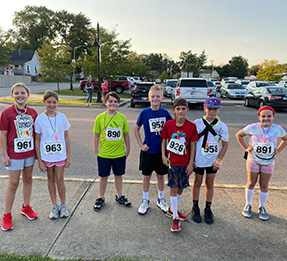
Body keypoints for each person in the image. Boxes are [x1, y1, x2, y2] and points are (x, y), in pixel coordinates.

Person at [236, 106, 287, 221]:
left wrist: (278, 149)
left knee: (264, 185)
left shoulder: (277, 129)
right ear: (259, 117)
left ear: (273, 117)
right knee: (251, 182)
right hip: (253, 160)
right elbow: (238, 135)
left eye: (269, 116)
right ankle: (248, 205)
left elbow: (285, 139)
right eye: (263, 116)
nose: (266, 119)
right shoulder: (253, 127)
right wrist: (246, 148)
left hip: (268, 161)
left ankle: (262, 207)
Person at [0, 82, 38, 231]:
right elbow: (2, 135)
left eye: (23, 93)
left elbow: (36, 135)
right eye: (17, 93)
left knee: (28, 179)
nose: (20, 95)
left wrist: (37, 155)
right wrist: (4, 155)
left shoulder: (33, 112)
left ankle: (26, 207)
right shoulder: (6, 113)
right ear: (12, 96)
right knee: (13, 183)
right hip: (13, 154)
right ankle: (7, 215)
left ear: (28, 95)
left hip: (29, 153)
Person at [161, 98, 198, 232]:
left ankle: (172, 209)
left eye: (183, 109)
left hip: (185, 163)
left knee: (181, 187)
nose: (180, 111)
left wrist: (190, 163)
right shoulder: (169, 125)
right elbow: (164, 140)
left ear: (187, 110)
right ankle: (175, 217)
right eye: (178, 109)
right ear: (174, 110)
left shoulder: (191, 126)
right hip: (172, 163)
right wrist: (163, 155)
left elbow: (193, 145)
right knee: (173, 187)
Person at [134, 85, 172, 215]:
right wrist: (141, 145)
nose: (155, 99)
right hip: (148, 151)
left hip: (161, 152)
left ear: (162, 98)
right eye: (153, 96)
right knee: (146, 177)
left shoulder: (165, 113)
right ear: (149, 98)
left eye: (158, 96)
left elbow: (172, 129)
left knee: (161, 176)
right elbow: (136, 129)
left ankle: (161, 199)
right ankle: (145, 200)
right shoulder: (144, 113)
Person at [34, 90, 71, 219]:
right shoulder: (40, 119)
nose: (51, 105)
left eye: (54, 102)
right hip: (47, 156)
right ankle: (54, 205)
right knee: (50, 179)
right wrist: (40, 160)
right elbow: (37, 139)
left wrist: (68, 157)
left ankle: (63, 204)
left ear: (57, 103)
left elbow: (66, 137)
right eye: (48, 102)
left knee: (60, 179)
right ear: (44, 102)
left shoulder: (62, 117)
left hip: (60, 155)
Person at [191, 97, 229, 224]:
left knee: (210, 183)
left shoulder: (222, 126)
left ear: (218, 110)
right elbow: (193, 143)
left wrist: (218, 161)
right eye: (209, 109)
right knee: (197, 182)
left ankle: (208, 208)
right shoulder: (197, 123)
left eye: (214, 109)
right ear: (204, 109)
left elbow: (225, 145)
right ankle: (195, 207)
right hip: (199, 159)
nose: (211, 112)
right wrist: (192, 160)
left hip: (212, 160)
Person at [93, 92, 131, 211]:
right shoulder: (100, 118)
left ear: (118, 104)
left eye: (115, 101)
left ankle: (119, 195)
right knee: (103, 176)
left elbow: (126, 135)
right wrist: (96, 151)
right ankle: (101, 197)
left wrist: (128, 149)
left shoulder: (122, 118)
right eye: (110, 101)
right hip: (104, 154)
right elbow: (96, 135)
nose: (112, 103)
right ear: (105, 102)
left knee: (118, 175)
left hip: (119, 153)